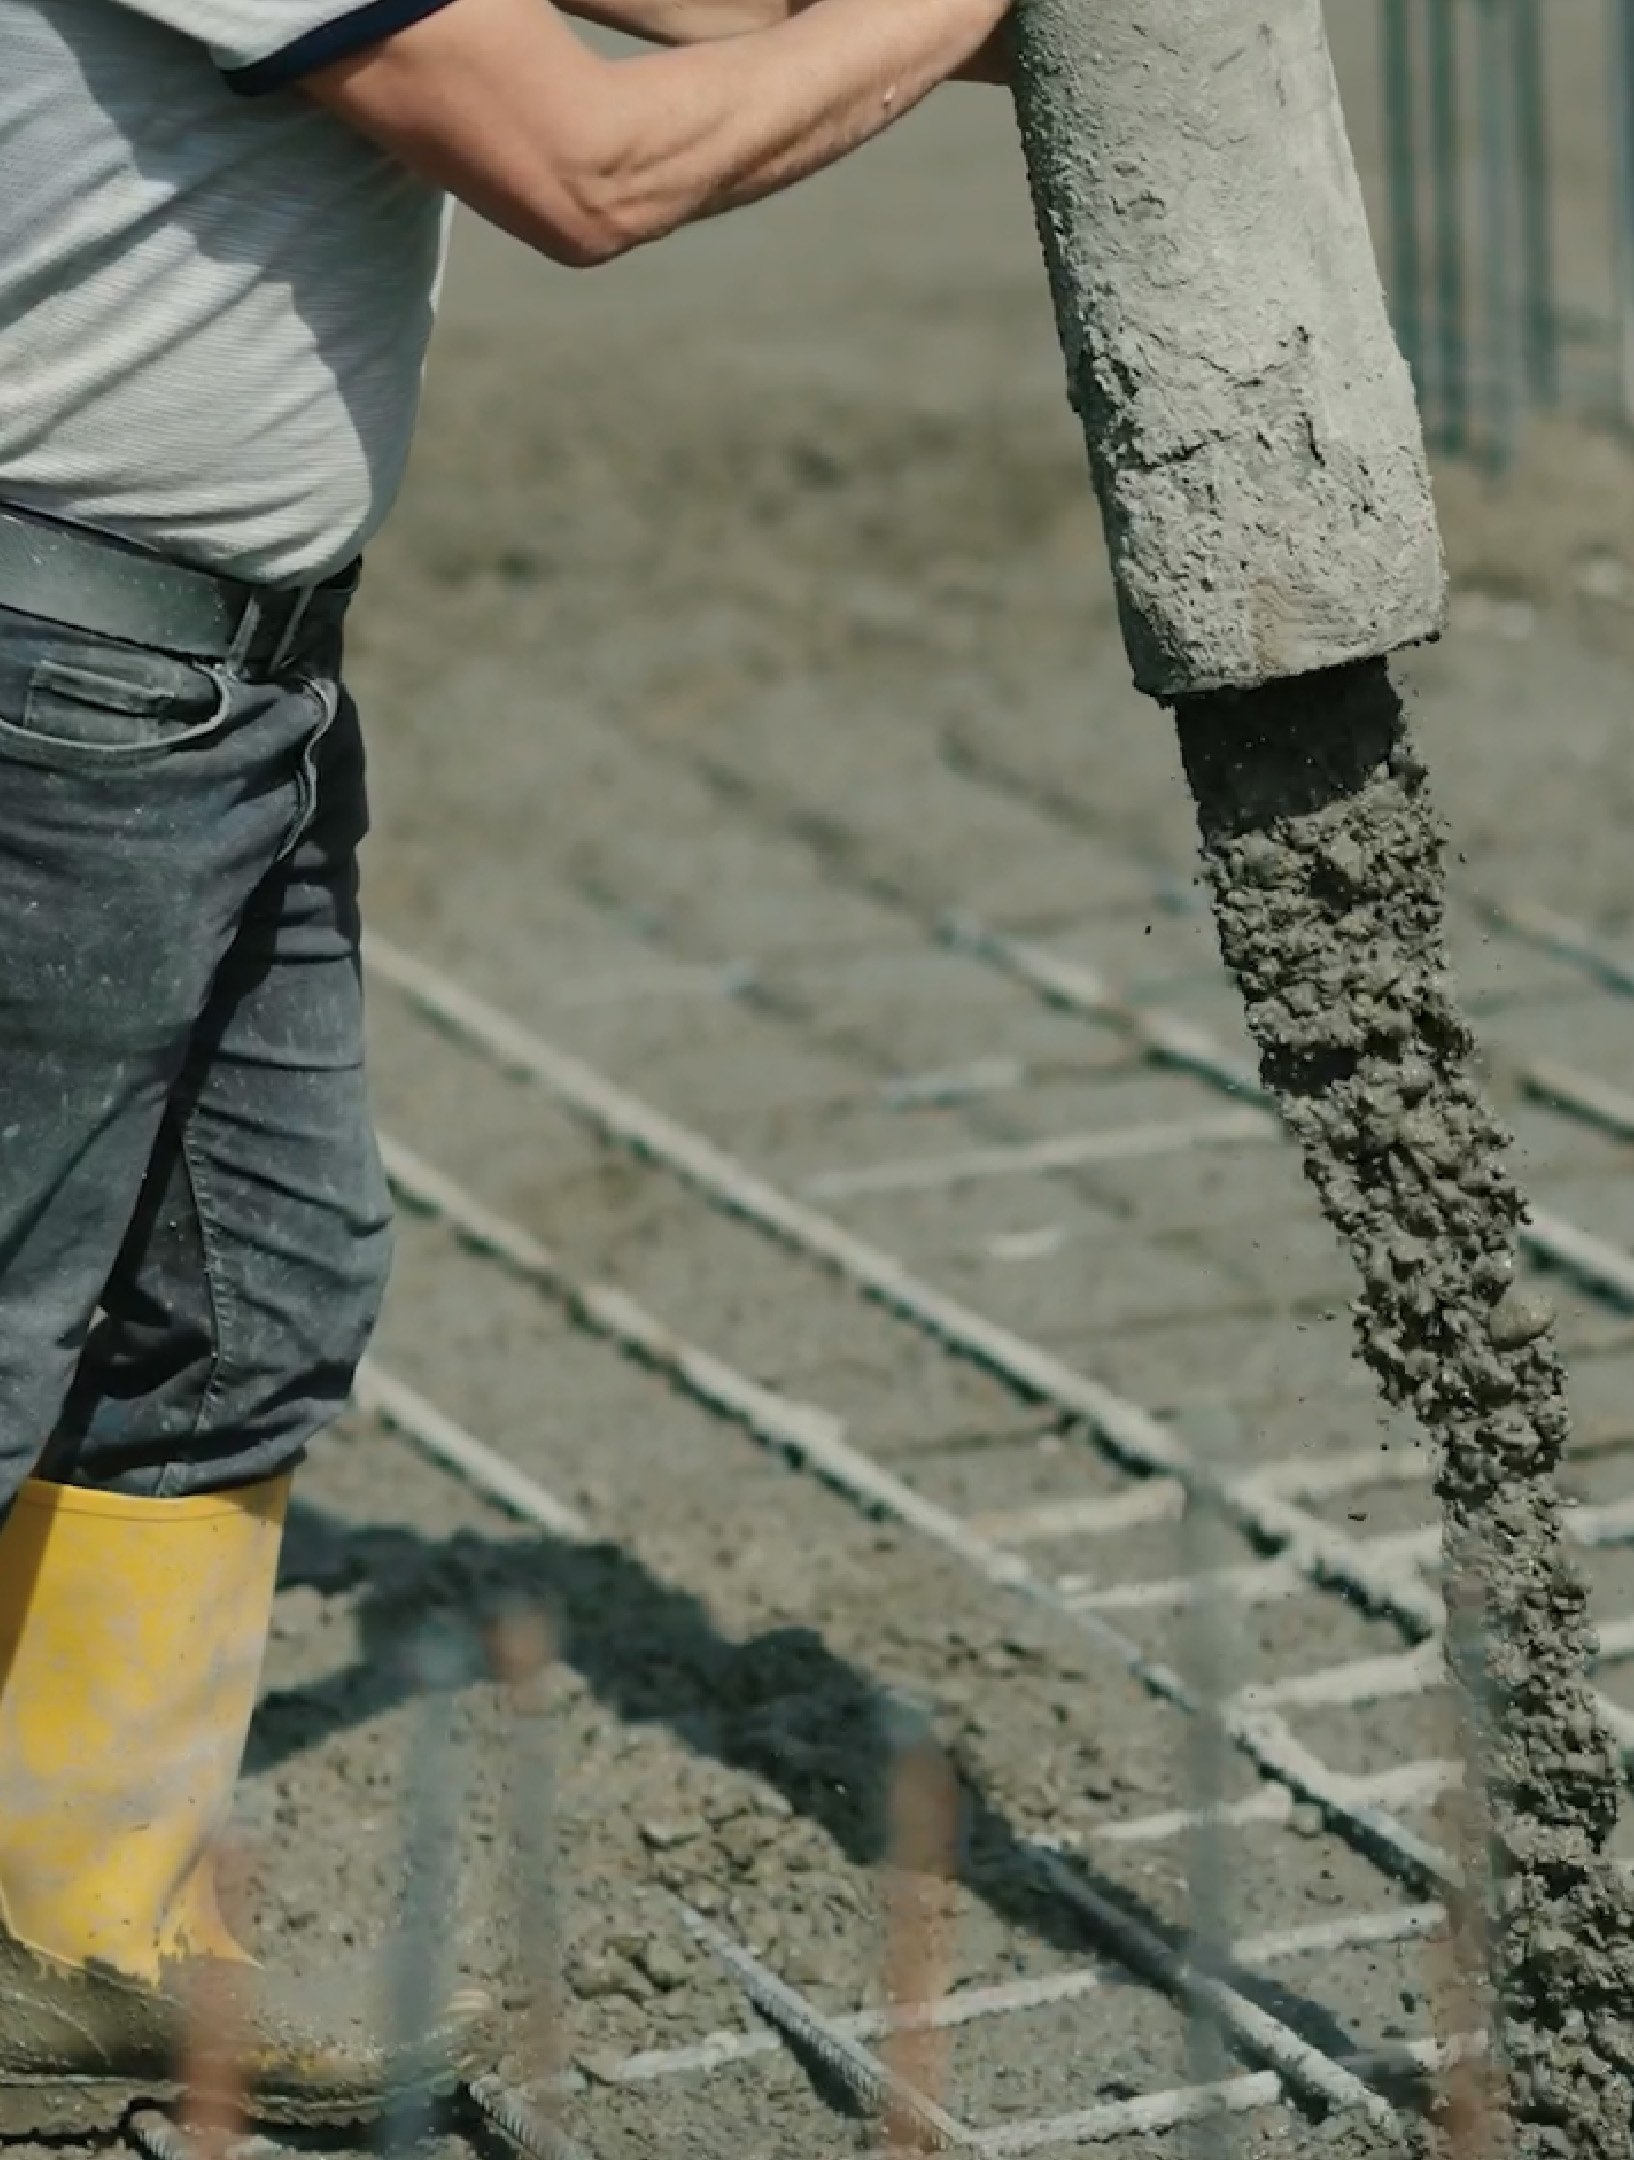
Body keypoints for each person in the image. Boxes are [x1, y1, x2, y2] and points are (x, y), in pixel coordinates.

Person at [0, 0, 1016, 2124]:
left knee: (250, 1292)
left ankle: (61, 1928)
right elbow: (584, 168)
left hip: (227, 683)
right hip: (57, 693)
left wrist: (921, 23)